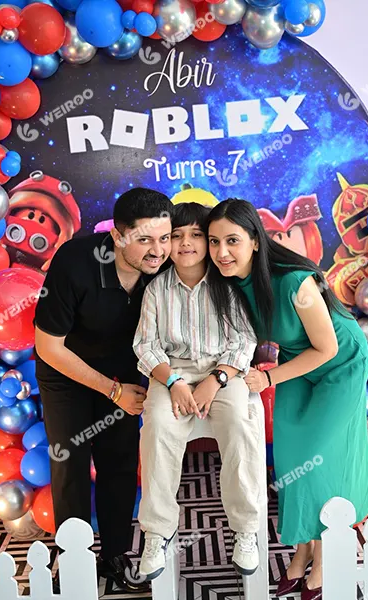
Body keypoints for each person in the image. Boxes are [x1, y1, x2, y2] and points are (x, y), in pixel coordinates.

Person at [205, 199, 368, 599]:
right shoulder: (228, 284)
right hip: (299, 362)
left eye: (232, 240)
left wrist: (267, 378)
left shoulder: (296, 282)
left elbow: (327, 348)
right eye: (213, 242)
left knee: (319, 459)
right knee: (293, 459)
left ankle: (326, 557)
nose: (222, 252)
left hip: (339, 362)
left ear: (255, 241)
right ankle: (303, 550)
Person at [33, 188, 172, 592]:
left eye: (164, 238)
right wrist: (112, 391)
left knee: (120, 462)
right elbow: (48, 346)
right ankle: (72, 558)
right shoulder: (75, 262)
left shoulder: (164, 267)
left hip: (125, 372)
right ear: (117, 236)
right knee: (70, 464)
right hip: (66, 370)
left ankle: (114, 556)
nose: (157, 251)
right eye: (144, 239)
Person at [132, 202, 263, 580]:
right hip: (170, 373)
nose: (186, 243)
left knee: (238, 421)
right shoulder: (156, 289)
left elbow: (243, 342)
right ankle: (157, 533)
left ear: (208, 241)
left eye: (196, 235)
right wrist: (173, 382)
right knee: (158, 425)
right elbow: (146, 346)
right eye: (176, 236)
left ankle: (245, 529)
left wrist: (215, 380)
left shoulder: (228, 285)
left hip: (222, 372)